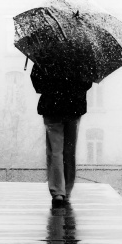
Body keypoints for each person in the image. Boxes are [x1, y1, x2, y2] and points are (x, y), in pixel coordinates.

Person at [30, 57, 93, 206]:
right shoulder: (80, 54)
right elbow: (88, 81)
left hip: (52, 106)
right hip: (73, 106)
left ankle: (58, 191)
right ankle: (67, 188)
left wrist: (51, 88)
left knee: (55, 151)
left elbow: (36, 79)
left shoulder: (45, 53)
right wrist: (73, 89)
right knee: (69, 151)